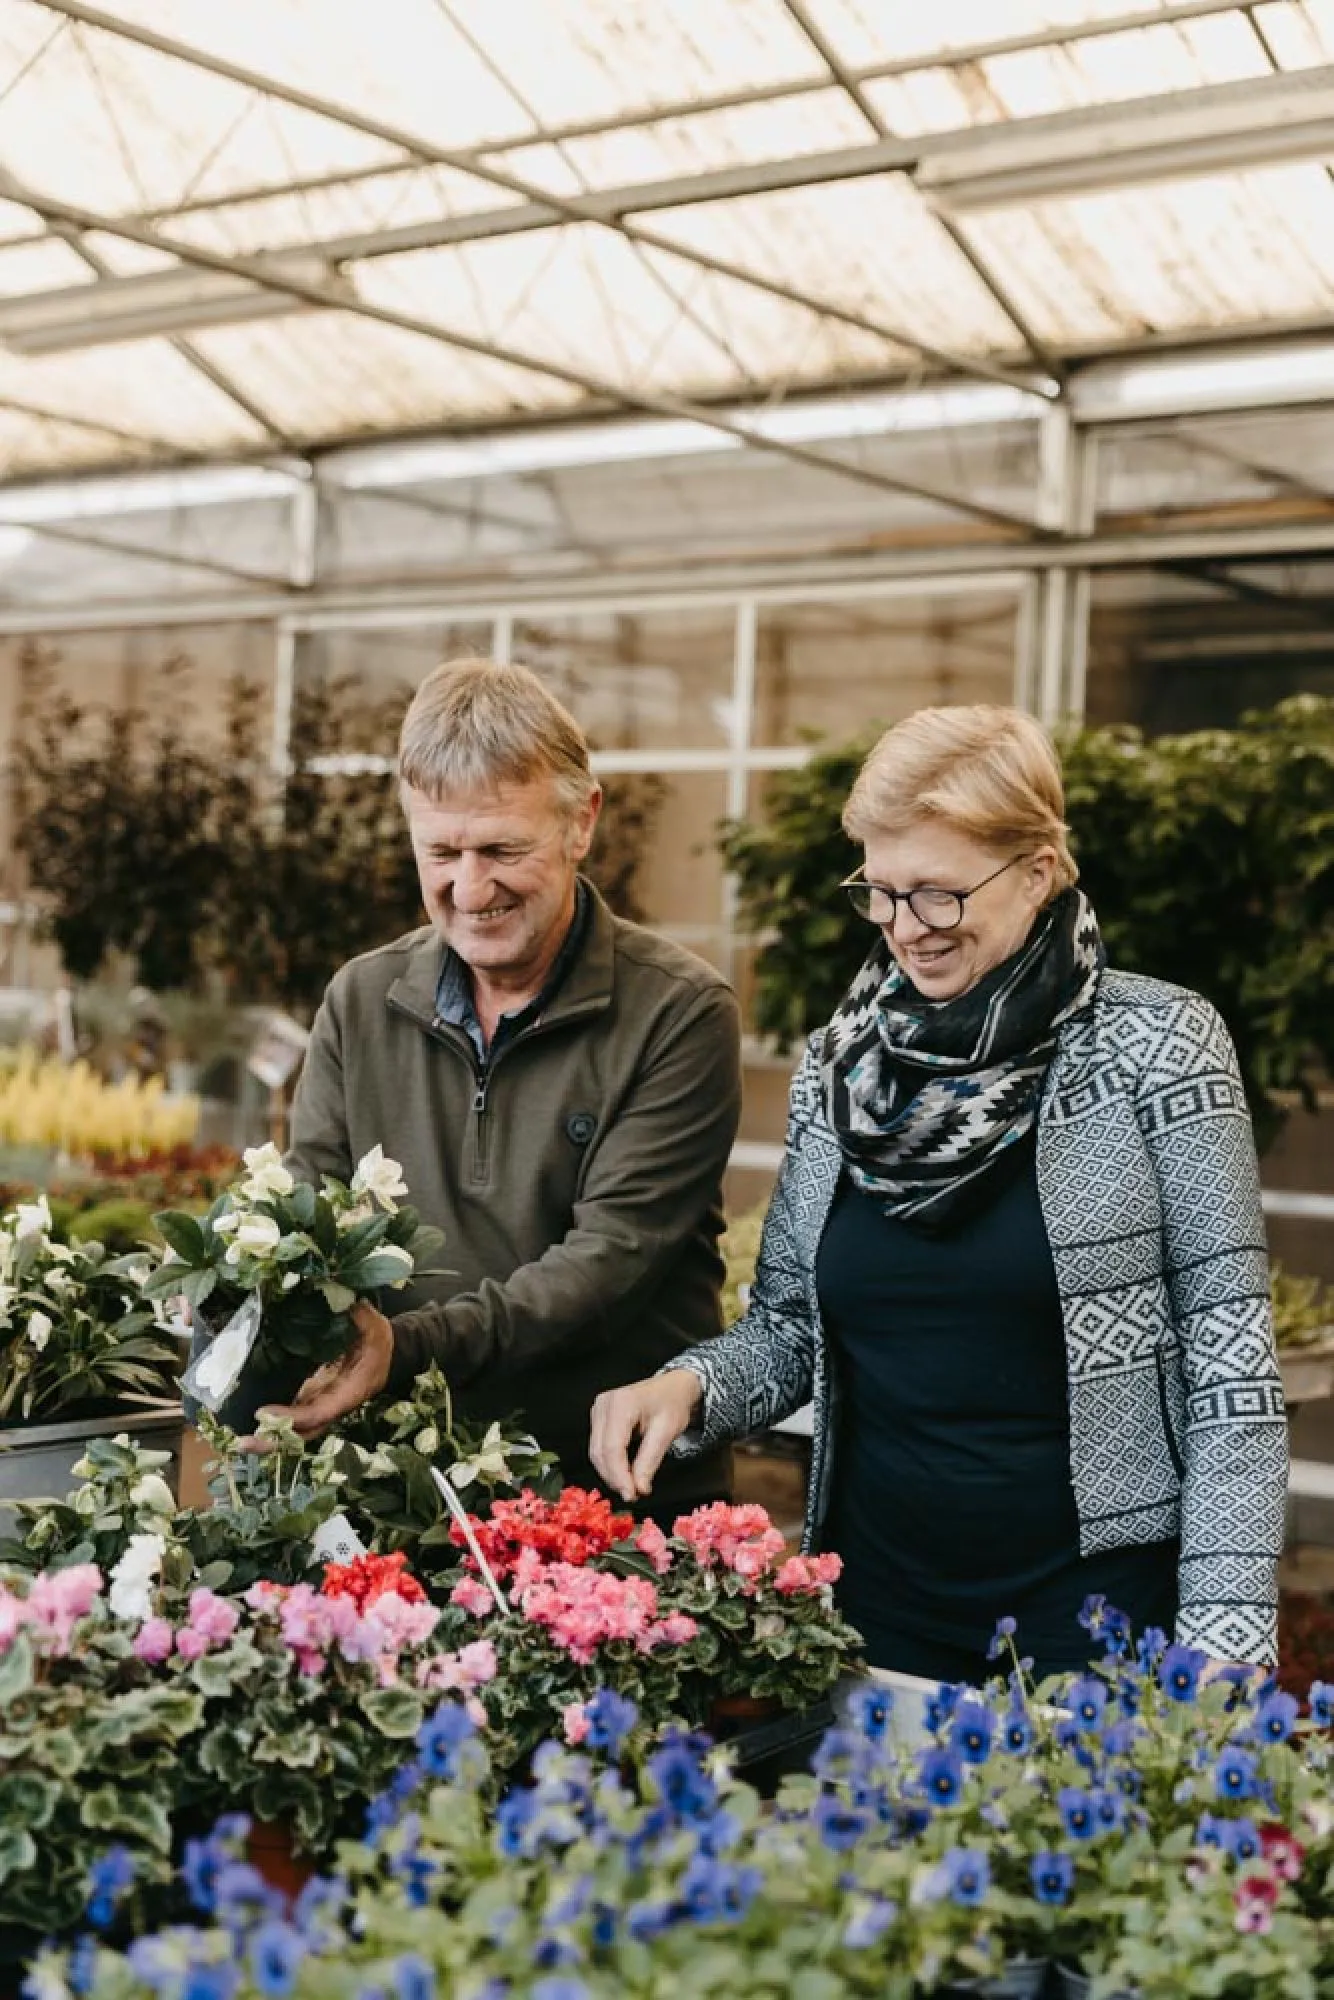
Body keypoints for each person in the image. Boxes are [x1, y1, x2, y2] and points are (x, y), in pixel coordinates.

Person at [590, 704, 1288, 1676]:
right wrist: (690, 1383)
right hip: (875, 1601)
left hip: (1092, 1619)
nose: (901, 929)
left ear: (1037, 871)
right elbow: (790, 1322)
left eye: (936, 893)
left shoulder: (1155, 1047)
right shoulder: (840, 1066)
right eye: (877, 892)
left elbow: (1229, 1369)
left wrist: (1224, 1645)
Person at [265, 656, 740, 1512]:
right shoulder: (363, 999)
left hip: (606, 1496)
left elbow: (603, 1267)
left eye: (502, 849)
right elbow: (311, 1200)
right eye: (440, 851)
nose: (469, 887)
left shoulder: (678, 1012)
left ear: (581, 820)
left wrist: (401, 1348)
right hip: (405, 1485)